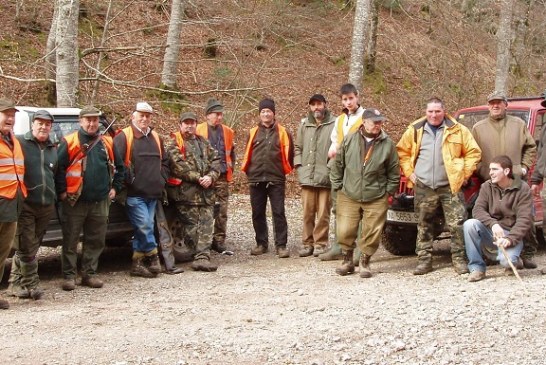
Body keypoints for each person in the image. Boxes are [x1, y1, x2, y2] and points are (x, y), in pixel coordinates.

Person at [397, 97, 481, 275]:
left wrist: (463, 174)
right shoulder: (415, 130)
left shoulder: (457, 130)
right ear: (425, 112)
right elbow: (402, 152)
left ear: (444, 111)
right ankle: (424, 261)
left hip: (450, 186)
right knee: (424, 224)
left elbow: (473, 152)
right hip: (424, 185)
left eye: (437, 111)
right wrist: (409, 172)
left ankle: (459, 260)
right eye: (430, 111)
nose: (434, 115)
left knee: (456, 224)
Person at [56, 106, 124, 290]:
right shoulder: (69, 141)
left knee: (96, 240)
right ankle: (69, 276)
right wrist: (62, 191)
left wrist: (115, 188)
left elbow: (121, 167)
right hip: (75, 201)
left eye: (95, 120)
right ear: (81, 121)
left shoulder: (107, 142)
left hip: (100, 201)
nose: (92, 123)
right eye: (88, 120)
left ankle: (89, 274)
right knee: (70, 240)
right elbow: (58, 169)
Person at [471, 91, 538, 269]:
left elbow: (531, 147)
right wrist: (482, 170)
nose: (495, 105)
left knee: (526, 217)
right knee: (493, 214)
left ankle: (527, 253)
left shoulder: (518, 124)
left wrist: (523, 167)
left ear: (505, 105)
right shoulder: (478, 128)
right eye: (492, 103)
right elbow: (473, 154)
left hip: (516, 179)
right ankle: (498, 253)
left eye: (499, 102)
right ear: (488, 105)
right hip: (489, 181)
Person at [330, 108, 400, 277]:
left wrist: (388, 192)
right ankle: (347, 261)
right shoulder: (349, 139)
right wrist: (338, 186)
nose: (378, 125)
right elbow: (338, 164)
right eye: (374, 122)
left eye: (380, 122)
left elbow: (393, 171)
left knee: (371, 231)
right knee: (345, 230)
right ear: (364, 122)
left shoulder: (387, 143)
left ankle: (365, 261)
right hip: (348, 193)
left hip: (376, 195)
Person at [114, 102, 169, 278]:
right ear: (133, 116)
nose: (144, 118)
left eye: (147, 115)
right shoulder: (124, 137)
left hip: (153, 193)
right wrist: (123, 184)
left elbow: (166, 162)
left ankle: (137, 264)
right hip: (133, 194)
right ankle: (153, 257)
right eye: (141, 115)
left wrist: (162, 179)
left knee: (142, 228)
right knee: (145, 226)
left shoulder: (156, 137)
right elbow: (116, 164)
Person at [8, 110, 57, 300]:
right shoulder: (19, 142)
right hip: (26, 204)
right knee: (27, 246)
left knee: (31, 246)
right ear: (32, 124)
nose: (43, 127)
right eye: (40, 123)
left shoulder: (53, 148)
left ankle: (14, 283)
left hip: (46, 205)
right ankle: (32, 282)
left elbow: (56, 174)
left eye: (47, 124)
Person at [166, 112, 220, 271]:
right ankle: (198, 256)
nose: (189, 126)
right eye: (186, 123)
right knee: (191, 228)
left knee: (207, 226)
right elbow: (178, 167)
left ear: (196, 124)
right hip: (187, 194)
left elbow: (216, 160)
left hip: (207, 193)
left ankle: (202, 258)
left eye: (192, 123)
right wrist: (199, 178)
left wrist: (211, 177)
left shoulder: (204, 142)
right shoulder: (174, 143)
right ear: (180, 125)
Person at [464, 156, 532, 282]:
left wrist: (510, 239)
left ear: (506, 171)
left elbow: (525, 220)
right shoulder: (486, 186)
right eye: (490, 169)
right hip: (492, 232)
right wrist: (493, 224)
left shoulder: (523, 189)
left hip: (512, 235)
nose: (490, 173)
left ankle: (515, 260)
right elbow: (477, 210)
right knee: (470, 224)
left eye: (495, 169)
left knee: (507, 262)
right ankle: (477, 268)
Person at [242, 98, 294, 258]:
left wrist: (284, 171)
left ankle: (281, 245)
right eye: (263, 111)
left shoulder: (283, 132)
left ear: (274, 113)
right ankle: (261, 243)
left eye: (268, 111)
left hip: (276, 177)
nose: (265, 114)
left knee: (278, 212)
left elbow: (290, 154)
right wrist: (249, 172)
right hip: (256, 177)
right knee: (257, 212)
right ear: (259, 114)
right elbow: (247, 153)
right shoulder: (252, 132)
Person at [319, 83, 365, 262]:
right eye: (345, 99)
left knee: (359, 208)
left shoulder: (366, 117)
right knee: (338, 207)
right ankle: (340, 245)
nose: (348, 102)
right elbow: (335, 140)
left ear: (357, 97)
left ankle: (360, 249)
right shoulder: (339, 120)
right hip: (339, 168)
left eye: (351, 98)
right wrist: (332, 150)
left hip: (358, 168)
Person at [294, 94, 336, 257]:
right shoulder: (304, 125)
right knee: (307, 213)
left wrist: (329, 168)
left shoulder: (334, 123)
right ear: (310, 107)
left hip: (325, 177)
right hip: (307, 177)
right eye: (313, 105)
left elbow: (338, 148)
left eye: (319, 104)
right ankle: (307, 243)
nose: (316, 107)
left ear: (325, 105)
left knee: (323, 214)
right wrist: (300, 167)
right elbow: (298, 147)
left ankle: (320, 244)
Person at [196, 98, 236, 253]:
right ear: (207, 115)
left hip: (221, 177)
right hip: (204, 177)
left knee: (222, 211)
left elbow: (231, 154)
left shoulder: (228, 131)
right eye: (215, 114)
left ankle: (219, 240)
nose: (219, 117)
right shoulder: (198, 130)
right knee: (203, 210)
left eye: (220, 114)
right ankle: (201, 240)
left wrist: (228, 171)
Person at [0, 99, 27, 309]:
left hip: (12, 202)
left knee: (3, 250)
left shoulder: (14, 140)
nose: (10, 119)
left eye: (12, 115)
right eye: (6, 114)